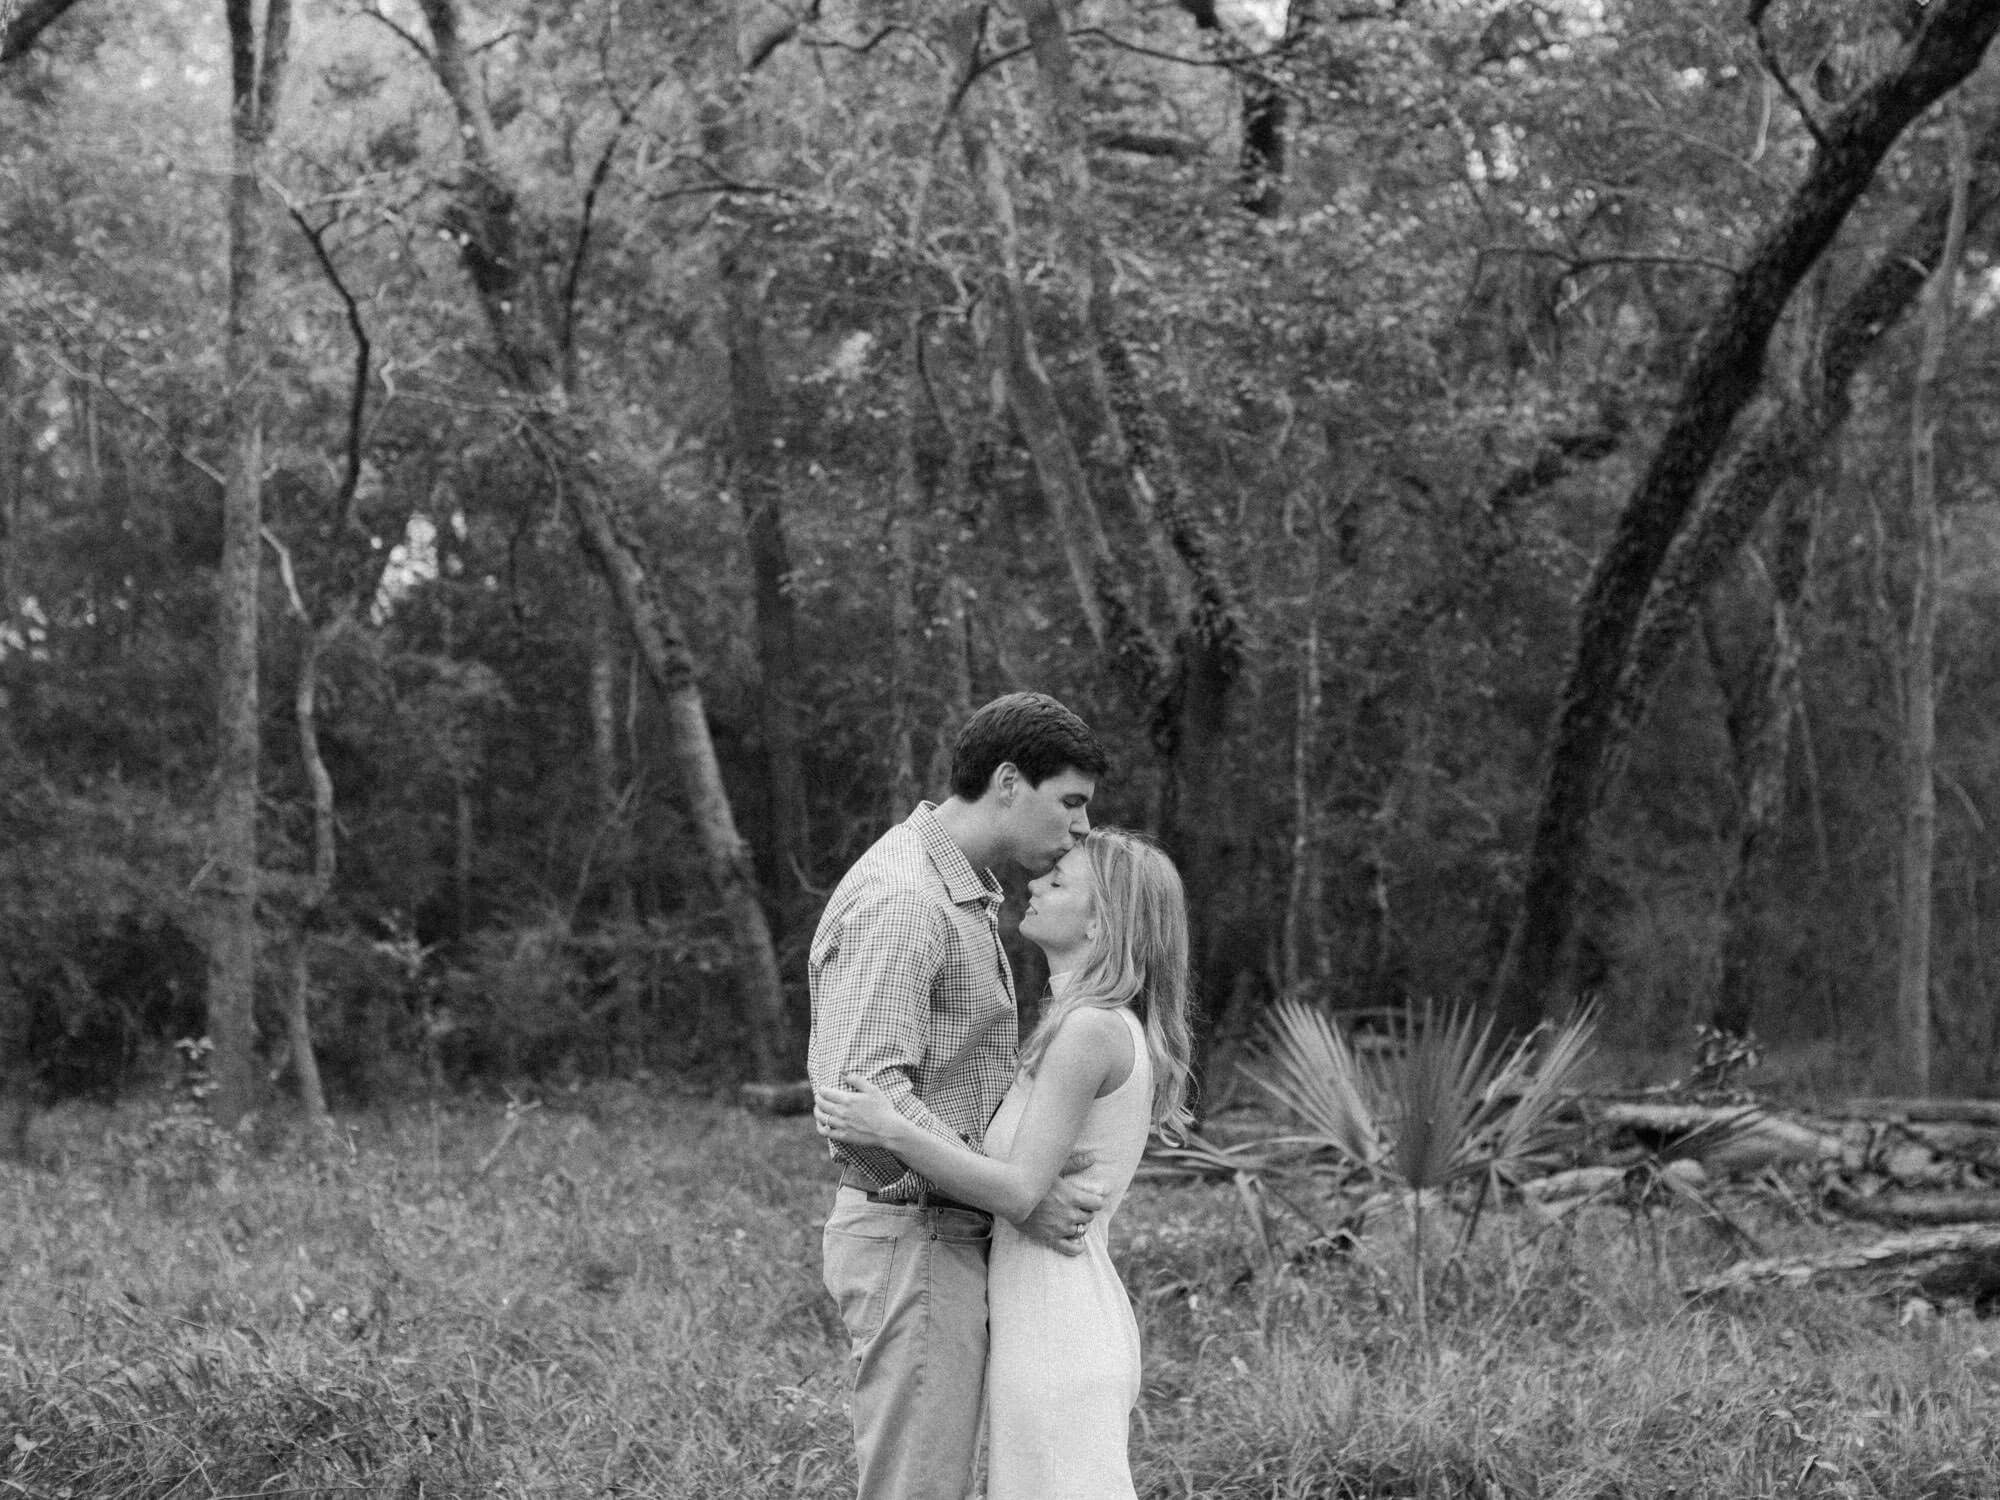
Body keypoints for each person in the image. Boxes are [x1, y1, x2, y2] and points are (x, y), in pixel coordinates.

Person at [817, 826, 1196, 1500]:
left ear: (1101, 921)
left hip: (1057, 1322)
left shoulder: (1090, 1030)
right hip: (1041, 1313)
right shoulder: (1085, 1024)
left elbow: (1020, 1191)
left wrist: (892, 1128)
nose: (1035, 883)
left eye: (1059, 881)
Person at [807, 691, 1113, 1500]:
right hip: (914, 1234)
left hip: (942, 1234)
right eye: (1070, 802)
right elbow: (865, 1102)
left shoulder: (962, 892)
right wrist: (1014, 1193)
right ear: (1009, 782)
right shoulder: (907, 899)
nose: (1081, 827)